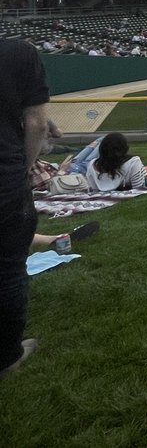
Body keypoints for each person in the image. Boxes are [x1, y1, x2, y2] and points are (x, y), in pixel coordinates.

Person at [1, 38, 49, 378]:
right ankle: (7, 358)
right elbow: (37, 124)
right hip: (4, 174)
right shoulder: (19, 52)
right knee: (8, 269)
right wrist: (25, 165)